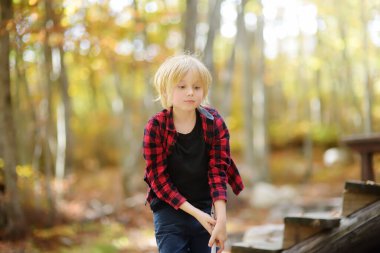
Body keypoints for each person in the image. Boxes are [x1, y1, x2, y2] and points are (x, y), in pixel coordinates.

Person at [142, 54, 244, 253]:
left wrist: (221, 221)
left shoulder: (213, 123)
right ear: (166, 90)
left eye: (196, 87)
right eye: (181, 86)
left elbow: (218, 173)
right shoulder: (156, 127)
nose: (190, 92)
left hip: (204, 205)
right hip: (168, 209)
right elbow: (159, 180)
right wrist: (195, 213)